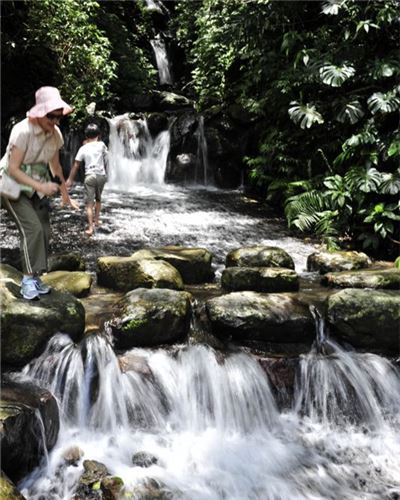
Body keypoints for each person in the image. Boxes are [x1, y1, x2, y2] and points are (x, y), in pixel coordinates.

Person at [1, 86, 79, 300]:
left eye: (58, 117)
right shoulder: (22, 131)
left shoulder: (55, 135)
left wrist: (65, 195)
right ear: (39, 113)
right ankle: (27, 280)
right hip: (11, 185)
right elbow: (13, 169)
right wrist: (41, 187)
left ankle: (35, 276)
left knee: (44, 230)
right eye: (51, 116)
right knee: (32, 229)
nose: (55, 121)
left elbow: (55, 168)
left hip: (37, 185)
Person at [66, 123, 108, 236]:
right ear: (99, 135)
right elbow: (107, 158)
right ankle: (97, 221)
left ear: (86, 136)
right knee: (98, 199)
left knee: (89, 204)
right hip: (101, 176)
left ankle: (90, 228)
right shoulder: (102, 145)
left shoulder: (83, 148)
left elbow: (76, 165)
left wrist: (70, 179)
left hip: (90, 176)